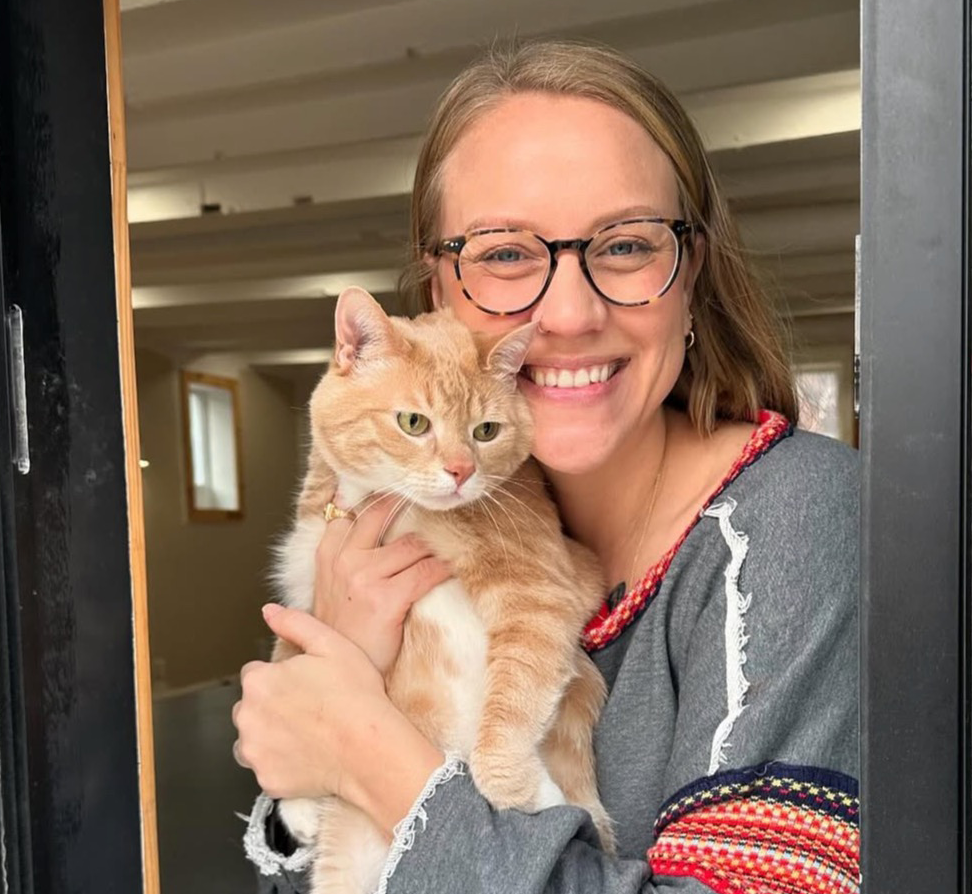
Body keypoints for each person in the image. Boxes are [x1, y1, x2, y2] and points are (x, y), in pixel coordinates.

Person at [233, 39, 859, 894]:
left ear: (691, 275)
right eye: (504, 254)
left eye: (627, 245)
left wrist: (368, 754)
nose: (568, 313)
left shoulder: (795, 517)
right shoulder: (430, 515)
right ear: (441, 292)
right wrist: (329, 700)